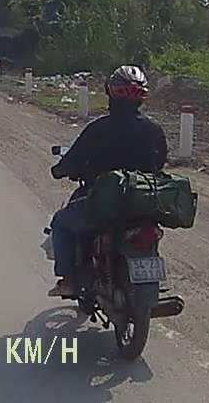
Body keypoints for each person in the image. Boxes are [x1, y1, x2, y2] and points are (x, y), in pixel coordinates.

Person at [46, 65, 168, 297]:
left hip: (102, 205)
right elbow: (160, 162)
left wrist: (60, 170)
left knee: (61, 223)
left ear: (110, 93)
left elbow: (73, 160)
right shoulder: (154, 129)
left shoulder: (98, 129)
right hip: (142, 204)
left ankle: (69, 280)